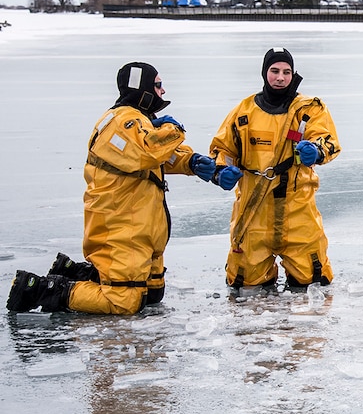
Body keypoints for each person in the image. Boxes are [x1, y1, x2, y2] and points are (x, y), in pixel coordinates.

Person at [6, 62, 219, 314]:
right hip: (120, 228)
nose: (163, 91)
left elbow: (156, 156)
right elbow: (149, 150)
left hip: (142, 228)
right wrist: (173, 129)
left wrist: (192, 161)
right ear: (142, 89)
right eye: (158, 85)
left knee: (152, 294)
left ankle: (79, 272)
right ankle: (42, 288)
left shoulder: (139, 120)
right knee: (124, 300)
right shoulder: (123, 121)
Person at [209, 47, 340, 291]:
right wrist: (220, 170)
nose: (280, 77)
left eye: (286, 72)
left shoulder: (308, 109)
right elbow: (224, 148)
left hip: (297, 210)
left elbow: (329, 141)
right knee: (245, 284)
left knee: (312, 281)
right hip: (253, 211)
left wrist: (317, 150)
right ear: (264, 73)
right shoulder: (244, 111)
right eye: (275, 71)